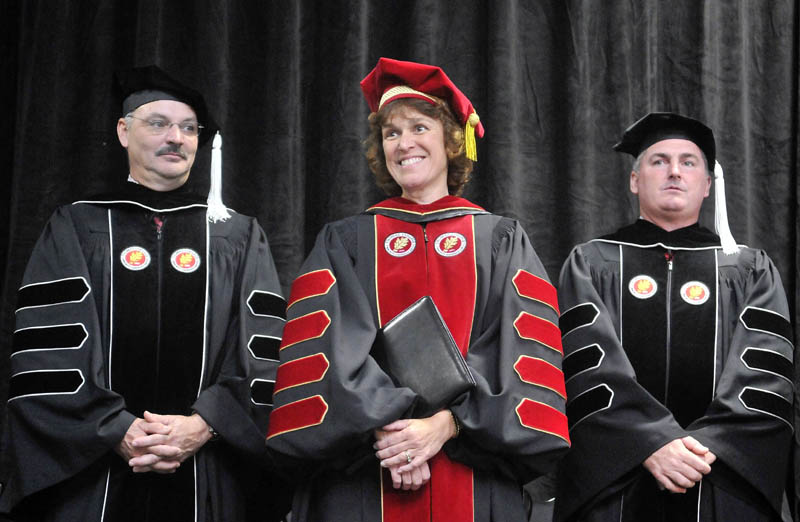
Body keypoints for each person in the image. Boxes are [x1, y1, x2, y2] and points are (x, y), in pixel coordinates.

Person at [265, 57, 570, 522]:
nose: (404, 142)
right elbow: (327, 347)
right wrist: (394, 431)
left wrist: (445, 426)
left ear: (451, 140)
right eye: (391, 133)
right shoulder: (346, 241)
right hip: (367, 472)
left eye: (419, 127)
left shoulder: (500, 240)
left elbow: (518, 350)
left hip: (472, 468)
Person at [0, 66, 290, 521]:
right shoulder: (77, 226)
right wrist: (115, 427)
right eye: (158, 123)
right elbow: (47, 356)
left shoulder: (237, 235)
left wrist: (206, 424)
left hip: (206, 470)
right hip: (94, 473)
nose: (176, 137)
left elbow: (261, 354)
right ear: (123, 131)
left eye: (189, 128)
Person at [555, 112, 794, 521]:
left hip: (718, 478)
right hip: (619, 481)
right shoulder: (592, 262)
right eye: (658, 160)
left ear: (706, 185)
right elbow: (586, 371)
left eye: (688, 162)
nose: (674, 172)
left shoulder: (749, 268)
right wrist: (650, 442)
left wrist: (702, 449)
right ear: (635, 181)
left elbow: (764, 379)